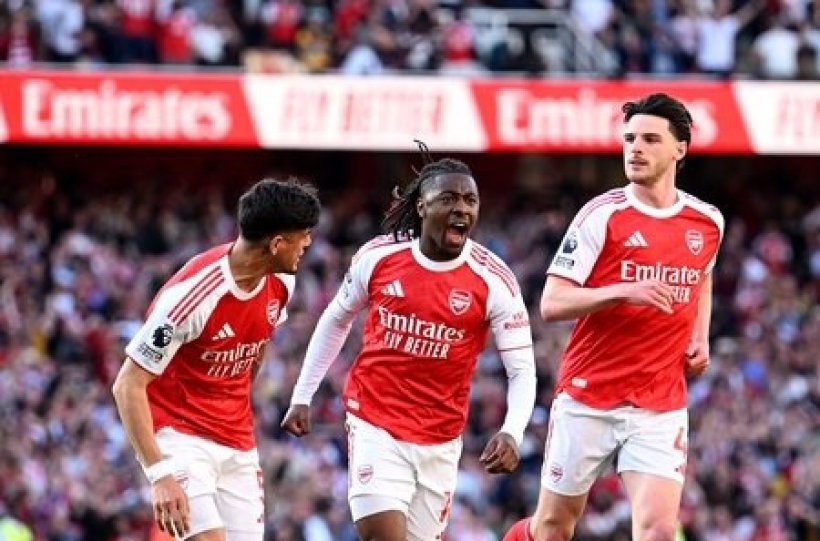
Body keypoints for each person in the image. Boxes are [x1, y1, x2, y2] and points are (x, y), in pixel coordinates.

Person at [281, 146, 537, 541]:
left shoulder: (494, 279)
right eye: (448, 198)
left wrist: (512, 431)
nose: (462, 209)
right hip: (375, 423)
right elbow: (336, 319)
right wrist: (303, 394)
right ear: (421, 207)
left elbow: (521, 370)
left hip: (441, 440)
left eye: (470, 200)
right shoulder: (379, 257)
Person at [503, 93, 724, 541]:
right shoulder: (602, 216)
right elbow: (552, 303)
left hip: (660, 403)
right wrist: (624, 290)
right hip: (590, 396)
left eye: (650, 139)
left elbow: (703, 276)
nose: (635, 148)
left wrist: (700, 336)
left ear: (680, 148)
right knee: (553, 528)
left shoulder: (707, 222)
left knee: (659, 530)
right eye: (629, 139)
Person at [112, 178, 321, 541]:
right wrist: (159, 474)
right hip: (180, 437)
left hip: (237, 442)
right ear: (276, 244)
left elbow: (257, 343)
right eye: (303, 235)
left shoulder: (281, 281)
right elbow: (127, 384)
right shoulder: (191, 298)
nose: (308, 244)